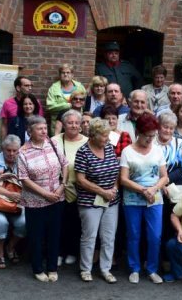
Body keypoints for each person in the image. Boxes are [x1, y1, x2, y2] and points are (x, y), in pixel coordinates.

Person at [119, 113, 169, 284]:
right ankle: (134, 268)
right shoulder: (127, 151)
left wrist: (153, 189)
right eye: (147, 135)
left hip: (154, 198)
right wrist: (142, 190)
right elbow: (123, 179)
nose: (150, 139)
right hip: (132, 198)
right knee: (133, 235)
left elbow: (164, 176)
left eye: (152, 136)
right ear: (138, 132)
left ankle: (152, 269)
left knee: (155, 236)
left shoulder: (158, 150)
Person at [18, 115, 68, 282]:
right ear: (30, 131)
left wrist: (62, 185)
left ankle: (52, 268)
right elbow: (24, 179)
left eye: (45, 128)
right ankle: (38, 269)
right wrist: (45, 194)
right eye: (39, 129)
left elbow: (65, 164)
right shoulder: (23, 151)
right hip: (35, 202)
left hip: (57, 198)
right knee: (36, 237)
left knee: (54, 235)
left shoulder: (53, 144)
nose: (44, 131)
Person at [74, 118, 121, 283]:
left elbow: (116, 170)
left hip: (111, 200)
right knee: (89, 236)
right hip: (90, 201)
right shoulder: (83, 152)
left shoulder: (108, 147)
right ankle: (86, 269)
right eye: (104, 135)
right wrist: (102, 192)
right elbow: (80, 180)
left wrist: (114, 189)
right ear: (93, 135)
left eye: (108, 135)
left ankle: (106, 269)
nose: (107, 138)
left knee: (109, 237)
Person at [52, 110, 88, 267]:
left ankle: (72, 251)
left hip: (81, 189)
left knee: (75, 223)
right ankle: (58, 252)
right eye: (70, 122)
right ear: (63, 124)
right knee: (58, 223)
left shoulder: (87, 142)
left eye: (76, 123)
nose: (73, 125)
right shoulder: (54, 141)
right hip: (58, 189)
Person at [0, 134, 25, 269]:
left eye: (15, 150)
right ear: (3, 149)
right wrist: (9, 194)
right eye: (8, 150)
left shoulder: (23, 160)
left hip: (17, 204)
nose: (11, 153)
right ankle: (0, 252)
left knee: (24, 222)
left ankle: (10, 247)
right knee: (0, 222)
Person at [156, 112, 182, 243]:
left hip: (174, 189)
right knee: (156, 224)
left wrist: (166, 180)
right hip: (154, 187)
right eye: (165, 127)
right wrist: (160, 184)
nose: (168, 130)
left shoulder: (179, 143)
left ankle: (168, 253)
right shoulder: (151, 142)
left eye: (171, 128)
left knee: (171, 223)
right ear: (159, 126)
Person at [0, 75, 44, 141]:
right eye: (26, 86)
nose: (30, 88)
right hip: (16, 141)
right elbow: (4, 126)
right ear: (18, 88)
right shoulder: (8, 103)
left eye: (31, 86)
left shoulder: (36, 103)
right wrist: (4, 143)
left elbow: (41, 122)